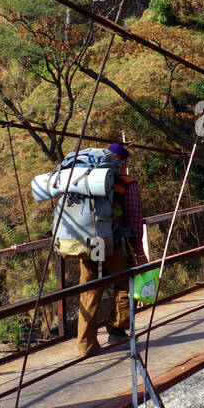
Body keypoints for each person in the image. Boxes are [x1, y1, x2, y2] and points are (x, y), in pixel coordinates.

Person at [75, 142, 150, 358]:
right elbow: (134, 220)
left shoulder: (87, 180)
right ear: (123, 161)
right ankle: (117, 329)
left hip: (88, 244)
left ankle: (86, 346)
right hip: (112, 244)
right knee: (127, 282)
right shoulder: (126, 183)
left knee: (89, 292)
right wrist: (139, 251)